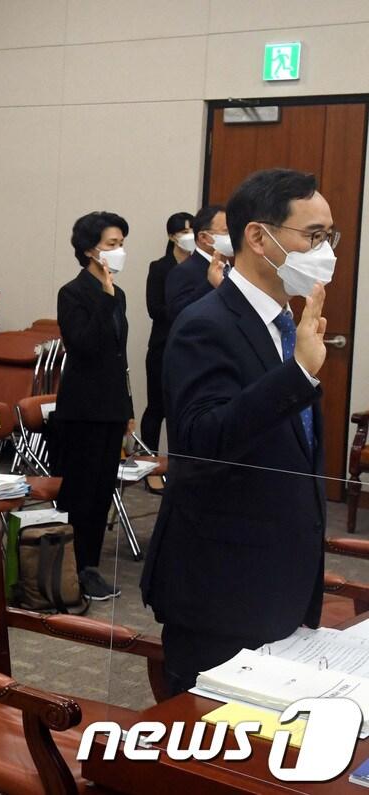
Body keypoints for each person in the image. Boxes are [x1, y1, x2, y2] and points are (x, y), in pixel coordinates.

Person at [141, 168, 332, 696]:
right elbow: (200, 442)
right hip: (221, 588)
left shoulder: (289, 324)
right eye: (313, 236)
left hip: (280, 581)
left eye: (329, 237)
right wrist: (296, 376)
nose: (326, 251)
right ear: (258, 237)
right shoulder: (208, 322)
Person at [53, 211, 133, 602]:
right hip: (82, 409)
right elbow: (83, 344)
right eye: (112, 245)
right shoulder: (73, 293)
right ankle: (72, 568)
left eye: (121, 244)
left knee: (102, 493)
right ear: (90, 250)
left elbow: (119, 356)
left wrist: (129, 408)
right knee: (80, 493)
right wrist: (103, 299)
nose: (119, 252)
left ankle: (91, 567)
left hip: (111, 408)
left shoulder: (118, 294)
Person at [141, 211, 194, 456]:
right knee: (156, 408)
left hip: (192, 348)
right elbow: (154, 309)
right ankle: (149, 461)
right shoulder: (160, 267)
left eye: (193, 230)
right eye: (184, 232)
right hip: (163, 347)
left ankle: (178, 463)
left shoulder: (201, 267)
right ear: (172, 236)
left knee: (183, 409)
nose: (189, 236)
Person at [165, 204, 230, 321]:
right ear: (203, 237)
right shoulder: (183, 271)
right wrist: (210, 284)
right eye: (226, 232)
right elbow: (177, 314)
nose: (232, 237)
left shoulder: (234, 269)